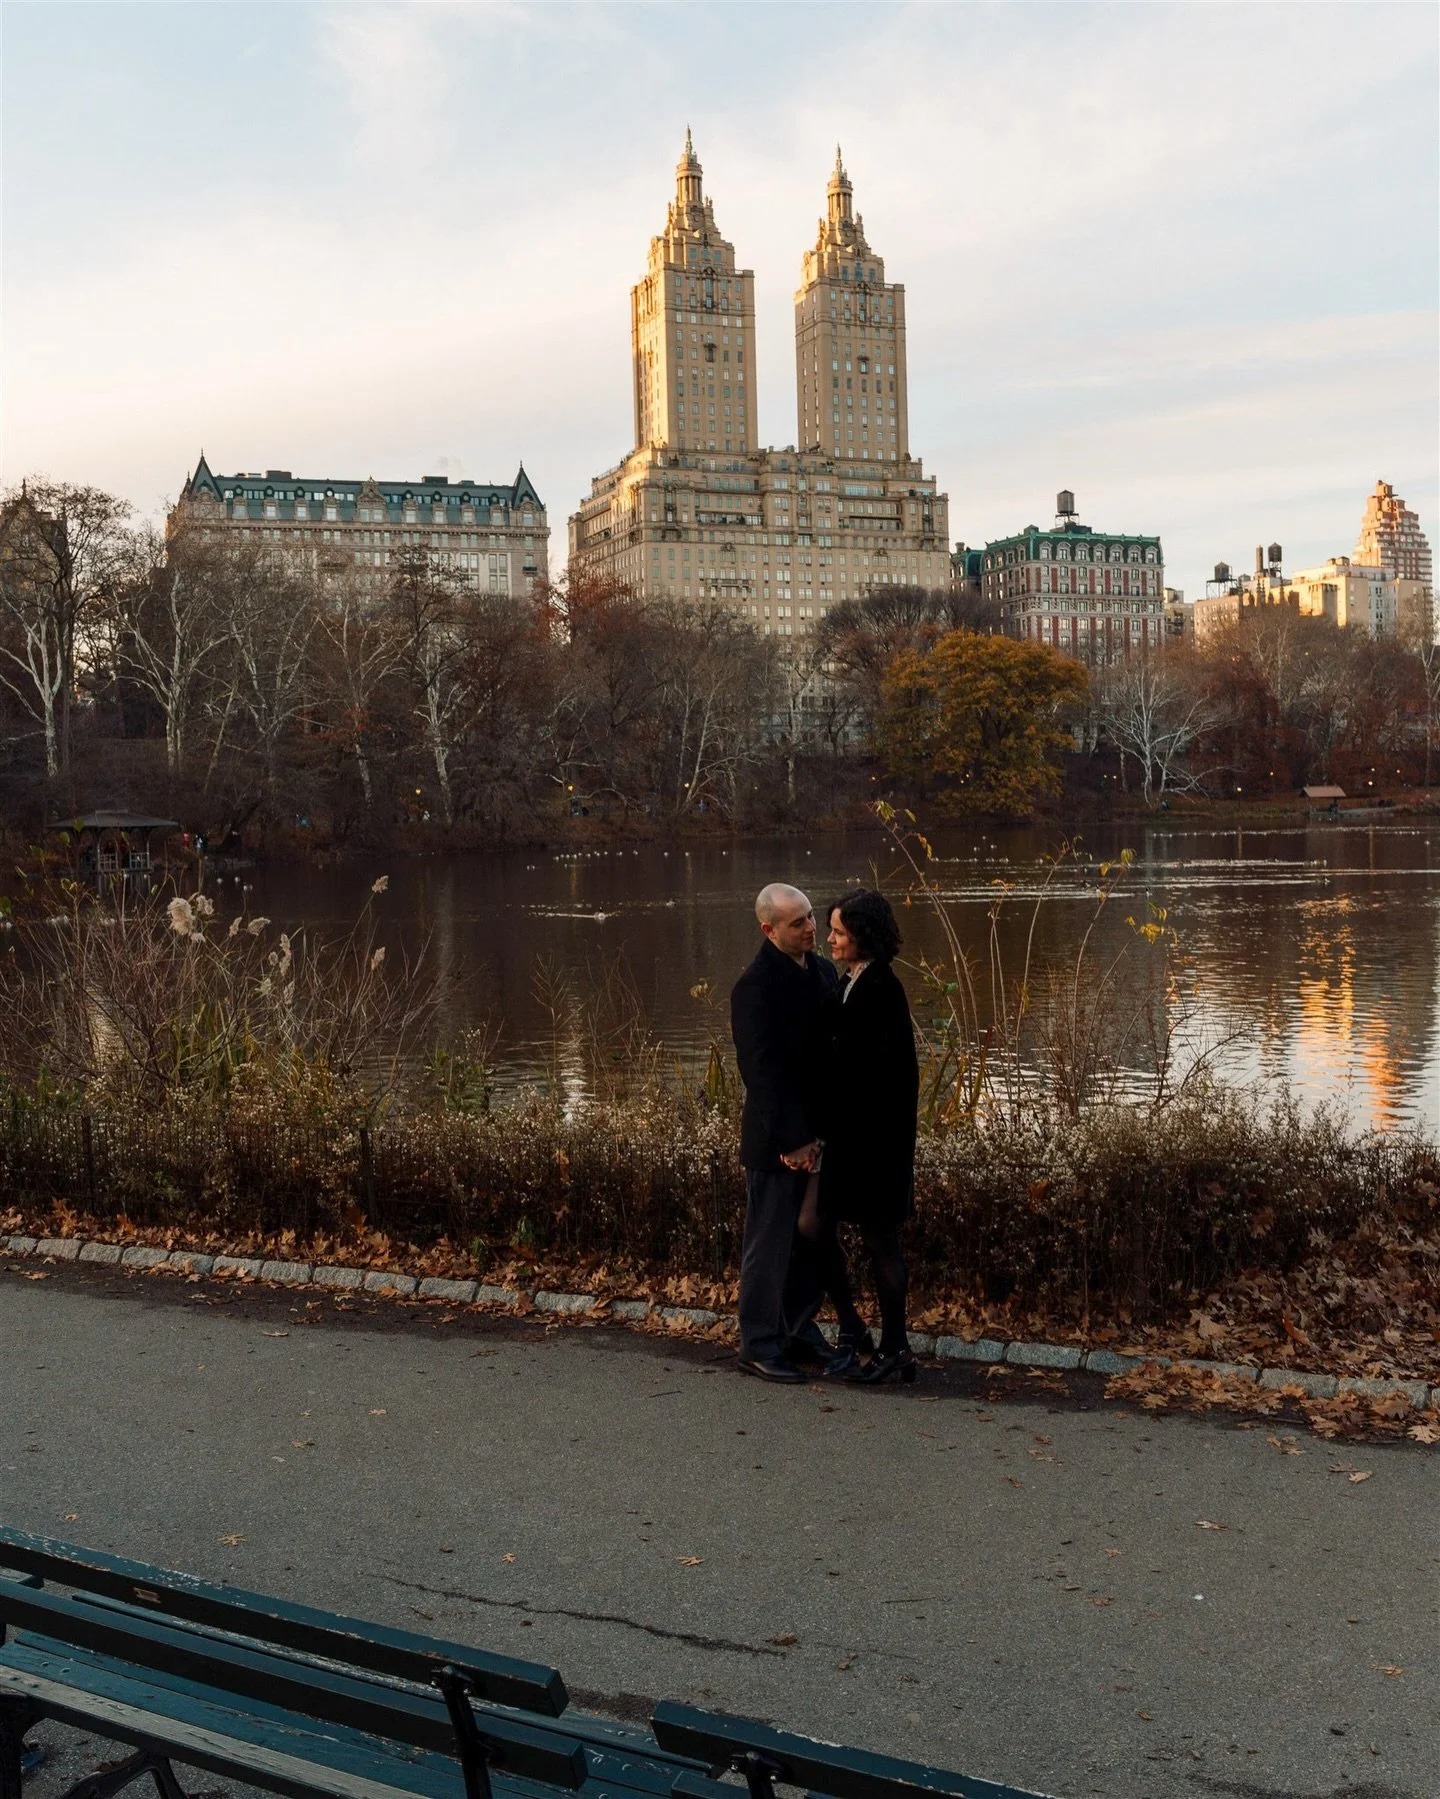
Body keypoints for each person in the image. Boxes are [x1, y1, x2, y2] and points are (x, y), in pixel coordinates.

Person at [729, 883, 841, 1383]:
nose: (811, 928)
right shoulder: (754, 987)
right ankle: (758, 1342)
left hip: (819, 1133)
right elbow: (762, 1073)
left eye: (811, 917)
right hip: (777, 1139)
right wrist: (794, 1140)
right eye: (797, 922)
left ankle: (797, 1326)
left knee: (811, 1239)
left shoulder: (822, 971)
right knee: (769, 1244)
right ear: (768, 929)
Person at [814, 889, 920, 1385]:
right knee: (820, 1227)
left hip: (875, 1145)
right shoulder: (854, 980)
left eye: (838, 931)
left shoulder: (881, 988)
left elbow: (868, 1074)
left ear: (862, 936)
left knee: (881, 1242)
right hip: (856, 1142)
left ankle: (894, 1345)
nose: (830, 939)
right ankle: (859, 1330)